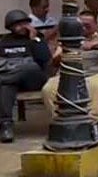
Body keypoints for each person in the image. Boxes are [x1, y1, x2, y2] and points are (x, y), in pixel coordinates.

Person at [41, 11, 98, 122]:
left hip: (94, 74)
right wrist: (67, 52)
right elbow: (54, 60)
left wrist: (94, 44)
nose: (83, 28)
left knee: (96, 85)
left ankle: (93, 121)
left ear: (95, 26)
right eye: (80, 25)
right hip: (67, 74)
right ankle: (60, 119)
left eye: (87, 25)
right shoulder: (68, 39)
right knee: (48, 89)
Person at [0, 9, 56, 142]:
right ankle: (6, 125)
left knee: (29, 67)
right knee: (6, 85)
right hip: (13, 81)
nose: (21, 27)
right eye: (17, 25)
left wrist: (34, 39)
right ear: (11, 27)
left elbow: (44, 60)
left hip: (34, 78)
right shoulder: (4, 41)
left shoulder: (37, 38)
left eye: (24, 23)